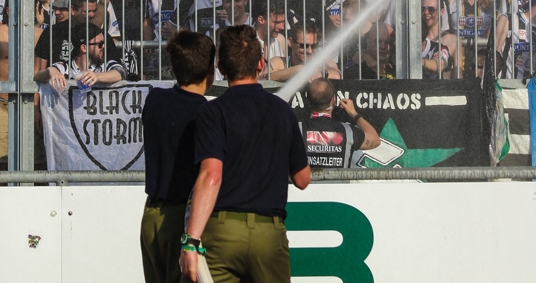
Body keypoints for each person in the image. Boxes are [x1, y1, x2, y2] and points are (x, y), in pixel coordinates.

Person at [179, 24, 310, 283]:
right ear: (261, 64)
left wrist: (190, 242)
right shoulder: (282, 110)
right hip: (268, 233)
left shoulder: (212, 112)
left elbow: (211, 176)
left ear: (220, 67)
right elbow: (302, 179)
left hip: (222, 232)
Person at [140, 31, 215, 283]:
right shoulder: (206, 113)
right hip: (182, 220)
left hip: (151, 214)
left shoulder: (154, 99)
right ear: (211, 70)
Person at [300, 77, 380, 168]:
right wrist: (354, 114)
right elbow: (375, 140)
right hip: (339, 182)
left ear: (307, 101)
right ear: (333, 100)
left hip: (305, 182)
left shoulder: (295, 130)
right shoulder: (348, 131)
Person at [34, 22, 125, 88]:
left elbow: (121, 72)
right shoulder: (65, 68)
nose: (104, 46)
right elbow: (37, 76)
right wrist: (51, 71)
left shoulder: (104, 66)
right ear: (84, 48)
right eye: (100, 44)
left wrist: (97, 77)